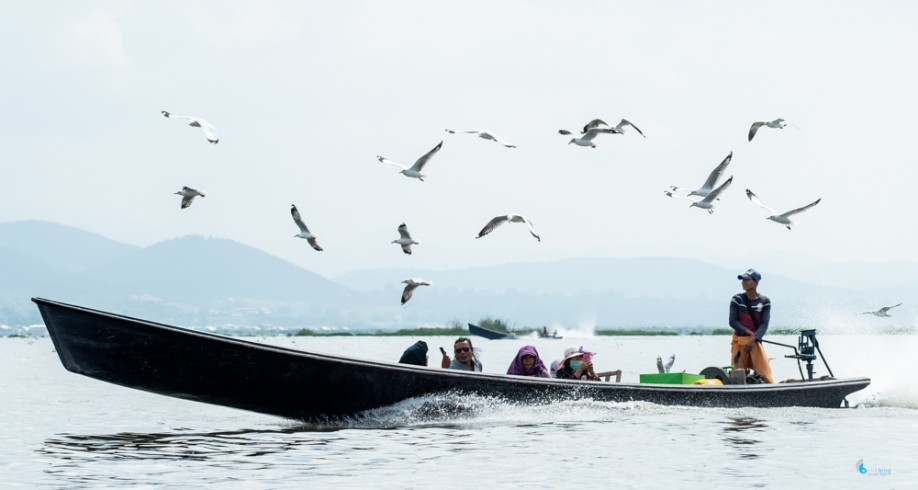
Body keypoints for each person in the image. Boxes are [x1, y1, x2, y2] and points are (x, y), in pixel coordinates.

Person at [728, 268, 775, 384]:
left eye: (747, 280)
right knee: (738, 375)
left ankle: (771, 392)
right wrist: (750, 334)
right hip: (739, 341)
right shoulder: (737, 299)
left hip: (754, 342)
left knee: (765, 373)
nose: (743, 282)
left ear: (756, 282)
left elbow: (764, 323)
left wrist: (754, 338)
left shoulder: (765, 301)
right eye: (742, 280)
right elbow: (732, 321)